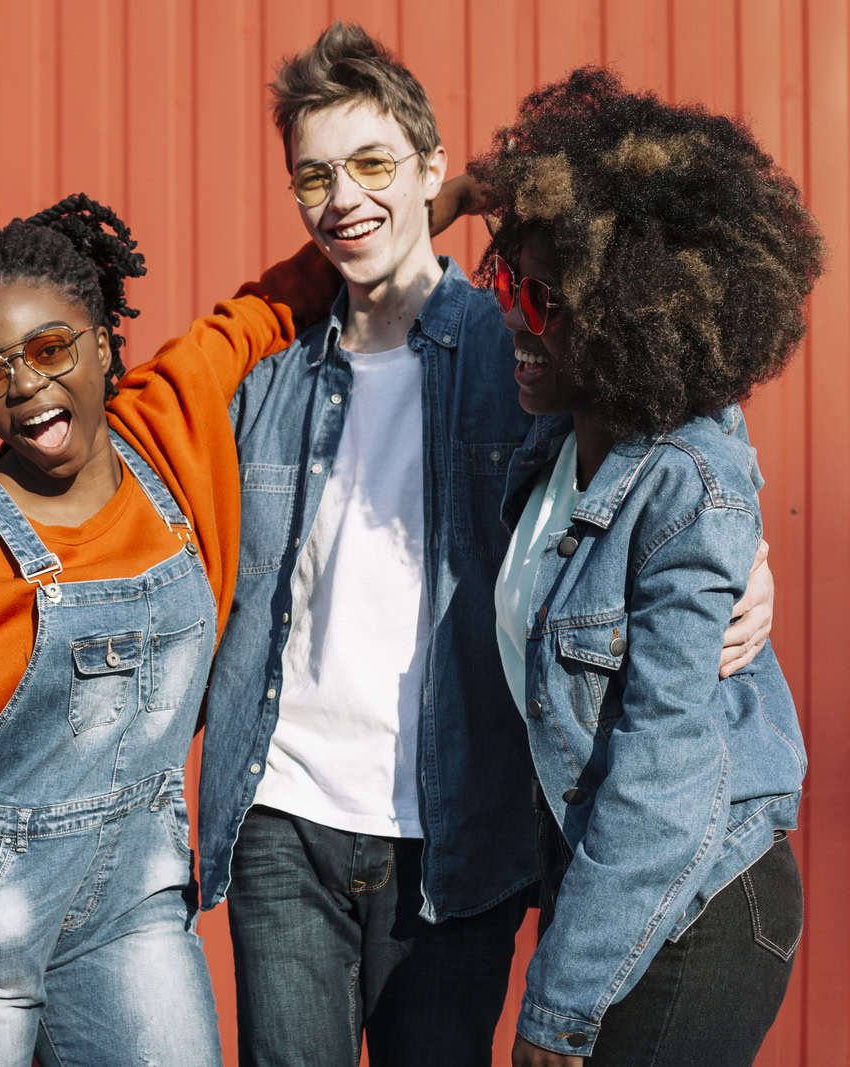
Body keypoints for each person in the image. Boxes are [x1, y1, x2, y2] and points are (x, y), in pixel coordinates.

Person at [195, 23, 779, 1066]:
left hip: (457, 818)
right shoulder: (266, 376)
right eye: (313, 176)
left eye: (372, 163)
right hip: (282, 803)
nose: (342, 197)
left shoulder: (518, 340)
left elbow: (677, 421)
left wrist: (751, 555)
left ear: (431, 170)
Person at [0, 194, 334, 1066]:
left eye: (50, 348)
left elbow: (271, 304)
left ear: (102, 341)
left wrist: (439, 203)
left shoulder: (167, 433)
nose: (25, 384)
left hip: (132, 904)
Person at [468, 67, 817, 1066]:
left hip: (698, 903)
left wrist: (556, 1008)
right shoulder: (555, 441)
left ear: (634, 316)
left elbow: (663, 778)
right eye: (505, 280)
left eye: (544, 297)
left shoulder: (683, 484)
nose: (514, 319)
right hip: (607, 890)